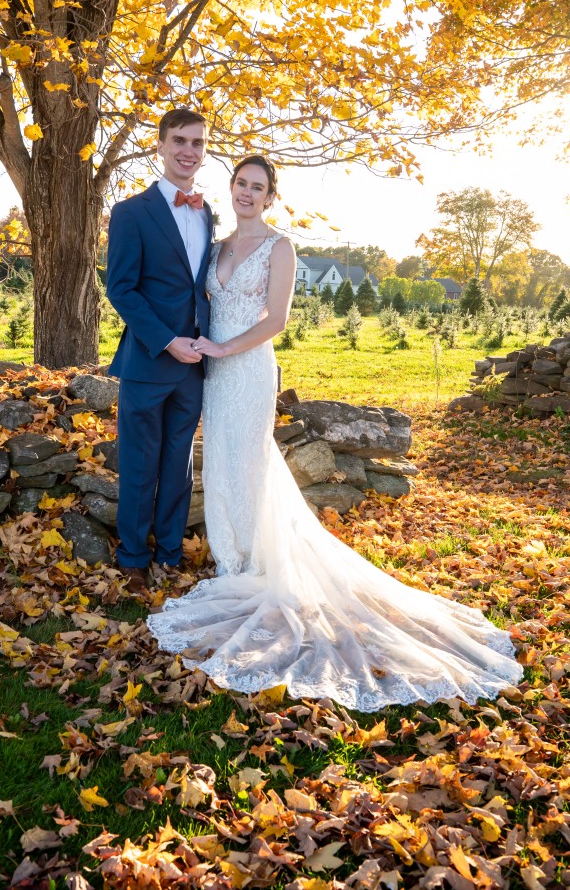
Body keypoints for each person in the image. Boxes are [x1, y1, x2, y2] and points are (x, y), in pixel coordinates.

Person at [147, 155, 523, 712]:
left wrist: (223, 348)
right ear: (232, 188)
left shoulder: (279, 247)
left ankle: (254, 564)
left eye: (257, 187)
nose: (247, 193)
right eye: (241, 183)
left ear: (270, 197)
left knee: (249, 458)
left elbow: (277, 320)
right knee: (223, 459)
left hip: (247, 368)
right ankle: (233, 560)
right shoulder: (218, 245)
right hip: (215, 374)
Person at [106, 109, 213, 586]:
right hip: (149, 362)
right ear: (161, 146)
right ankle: (132, 558)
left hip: (194, 367)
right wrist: (168, 342)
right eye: (180, 141)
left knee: (179, 466)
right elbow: (121, 289)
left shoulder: (207, 212)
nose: (189, 151)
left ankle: (170, 554)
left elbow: (199, 288)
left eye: (197, 142)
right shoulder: (130, 212)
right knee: (138, 465)